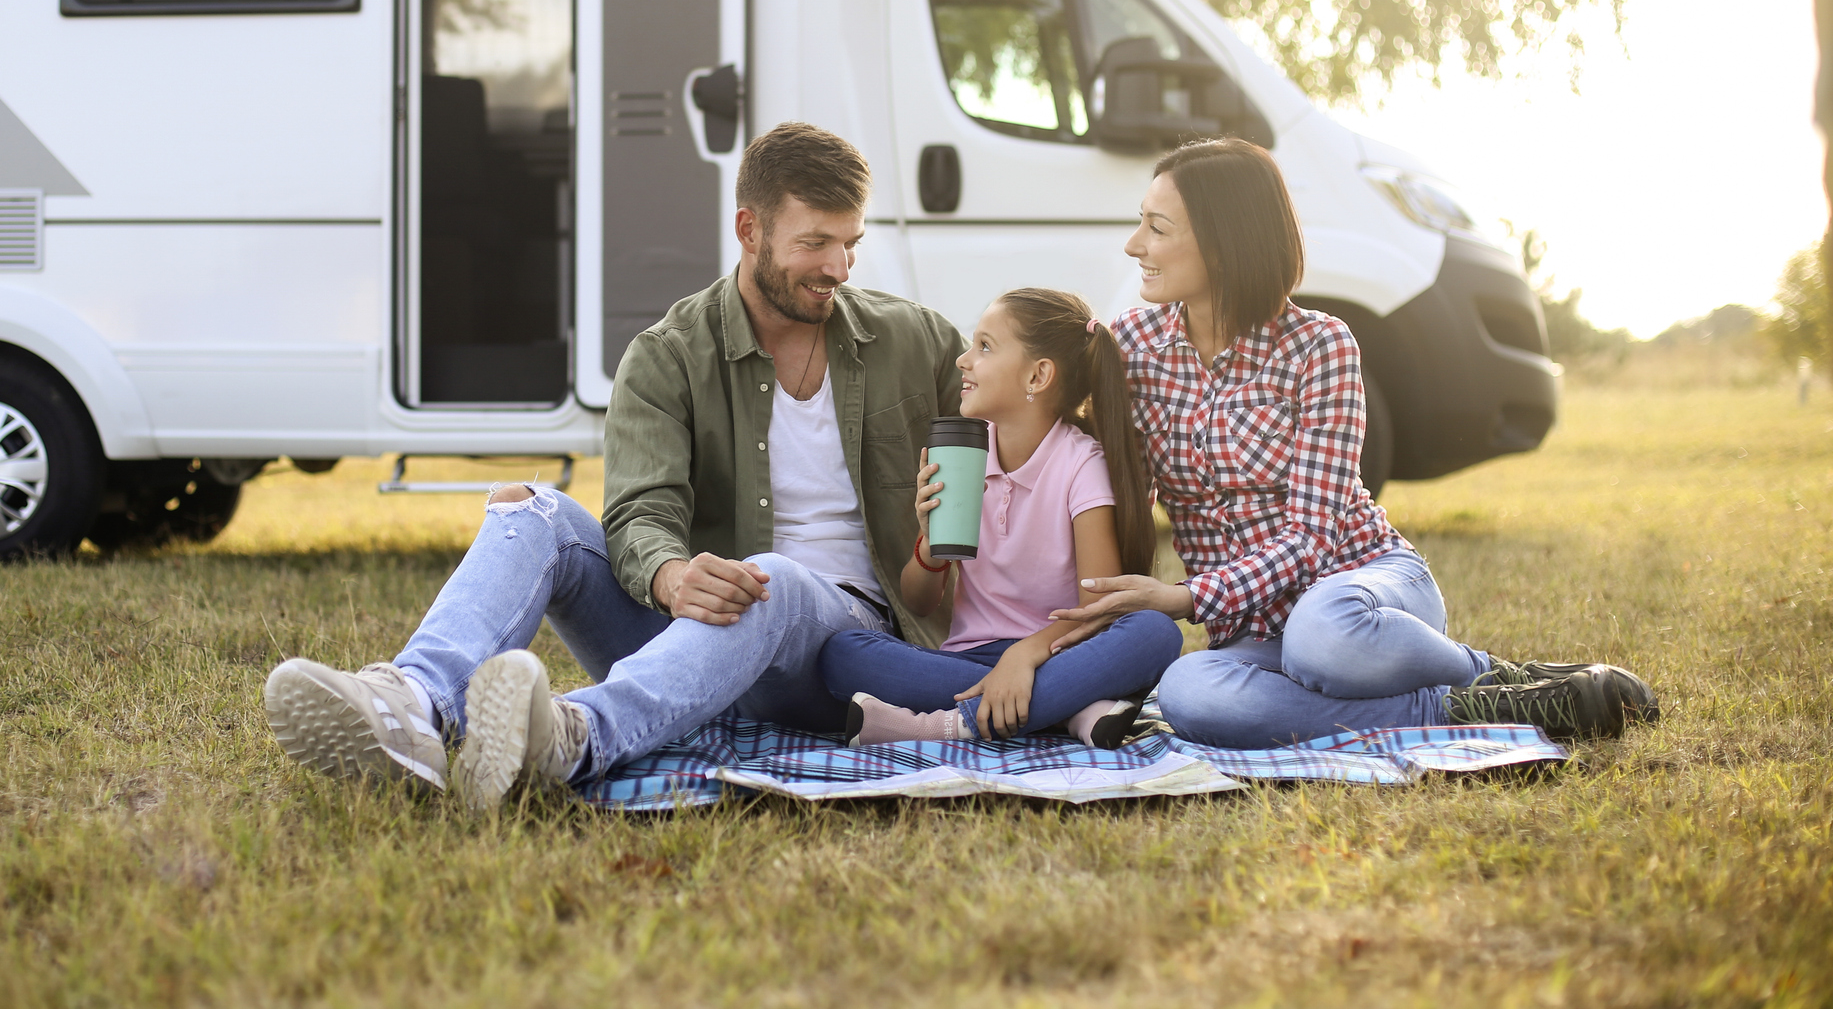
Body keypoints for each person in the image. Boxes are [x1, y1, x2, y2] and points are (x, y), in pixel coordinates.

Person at [260, 122, 965, 810]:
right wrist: (673, 575)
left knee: (768, 579)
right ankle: (411, 706)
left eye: (850, 244)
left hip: (842, 651)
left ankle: (573, 739)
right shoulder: (668, 354)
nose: (838, 269)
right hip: (693, 637)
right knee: (531, 508)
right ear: (749, 230)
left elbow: (1011, 471)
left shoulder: (919, 340)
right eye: (814, 243)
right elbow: (637, 512)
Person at [1046, 137, 1657, 748]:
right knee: (1187, 691)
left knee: (1324, 641)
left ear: (1223, 240)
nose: (1135, 245)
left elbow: (1312, 540)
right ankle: (1462, 708)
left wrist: (1184, 596)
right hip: (1253, 633)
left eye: (1156, 228)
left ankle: (1495, 675)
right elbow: (1074, 458)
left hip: (1360, 589)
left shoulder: (1321, 346)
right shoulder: (1131, 347)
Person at [820, 288, 1182, 747]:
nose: (963, 361)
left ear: (1037, 375)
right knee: (842, 652)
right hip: (969, 660)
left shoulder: (1080, 463)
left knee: (1153, 632)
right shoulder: (961, 455)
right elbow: (920, 602)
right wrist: (930, 545)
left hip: (1060, 649)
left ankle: (950, 725)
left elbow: (1100, 609)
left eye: (985, 347)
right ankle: (1066, 708)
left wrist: (1025, 656)